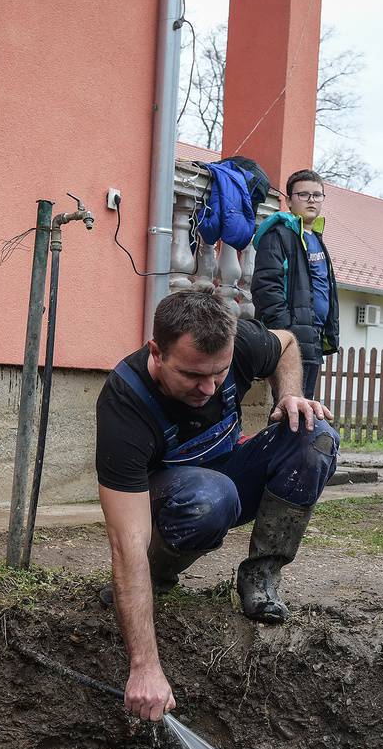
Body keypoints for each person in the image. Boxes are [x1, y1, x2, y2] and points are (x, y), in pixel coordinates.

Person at [97, 286, 338, 718]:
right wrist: (145, 667)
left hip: (228, 473)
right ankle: (160, 575)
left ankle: (262, 576)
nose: (208, 388)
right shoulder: (124, 403)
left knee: (314, 435)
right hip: (172, 505)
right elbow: (125, 542)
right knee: (210, 498)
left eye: (220, 373)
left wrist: (288, 395)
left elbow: (285, 342)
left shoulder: (239, 341)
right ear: (156, 351)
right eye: (192, 376)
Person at [252, 170, 341, 399]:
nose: (311, 200)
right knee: (289, 406)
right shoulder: (278, 235)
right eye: (303, 194)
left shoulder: (316, 238)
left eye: (317, 195)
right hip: (290, 338)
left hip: (313, 337)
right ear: (289, 201)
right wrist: (286, 331)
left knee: (303, 405)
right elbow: (266, 287)